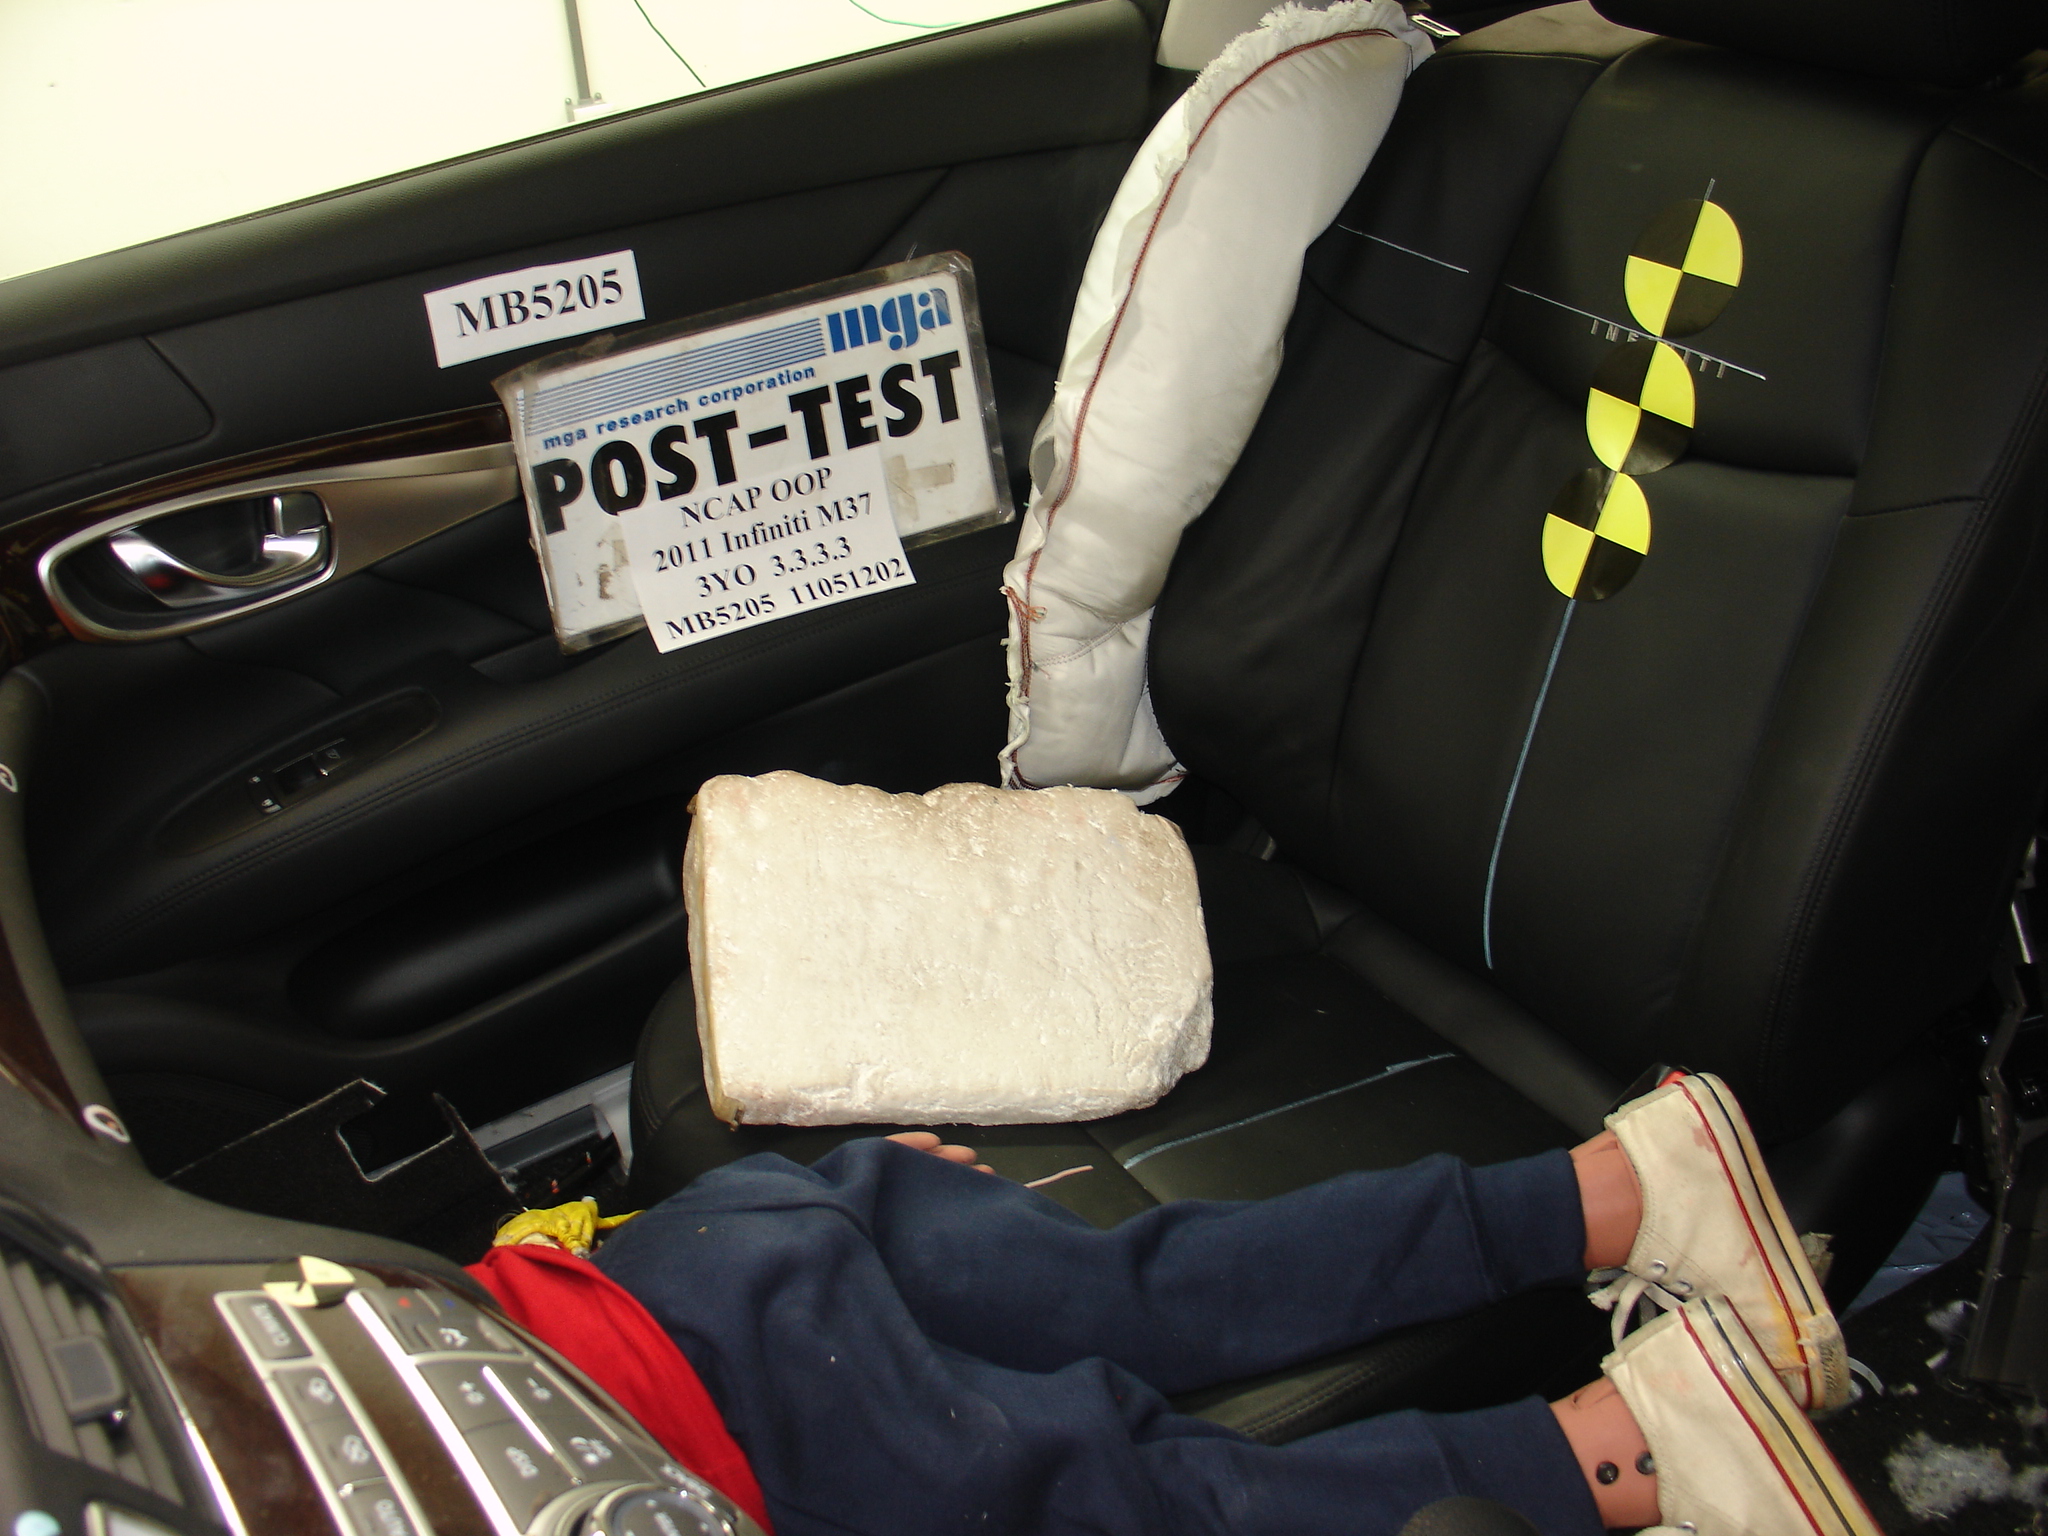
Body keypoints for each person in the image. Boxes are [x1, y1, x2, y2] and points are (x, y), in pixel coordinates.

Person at [469, 1072, 1883, 1536]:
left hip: (695, 1430)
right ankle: (1623, 1187)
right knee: (1153, 1281)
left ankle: (1641, 1446)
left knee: (1133, 1506)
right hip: (664, 1262)